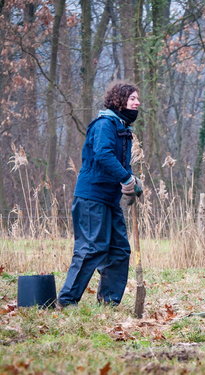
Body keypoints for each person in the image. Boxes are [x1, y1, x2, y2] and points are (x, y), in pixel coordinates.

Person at [57, 82, 142, 307]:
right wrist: (126, 178)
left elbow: (121, 161)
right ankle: (66, 301)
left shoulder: (122, 128)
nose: (137, 102)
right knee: (92, 248)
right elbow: (103, 155)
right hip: (91, 197)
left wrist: (131, 183)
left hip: (110, 199)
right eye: (132, 98)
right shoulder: (105, 124)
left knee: (119, 250)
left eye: (137, 99)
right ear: (119, 100)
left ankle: (109, 302)